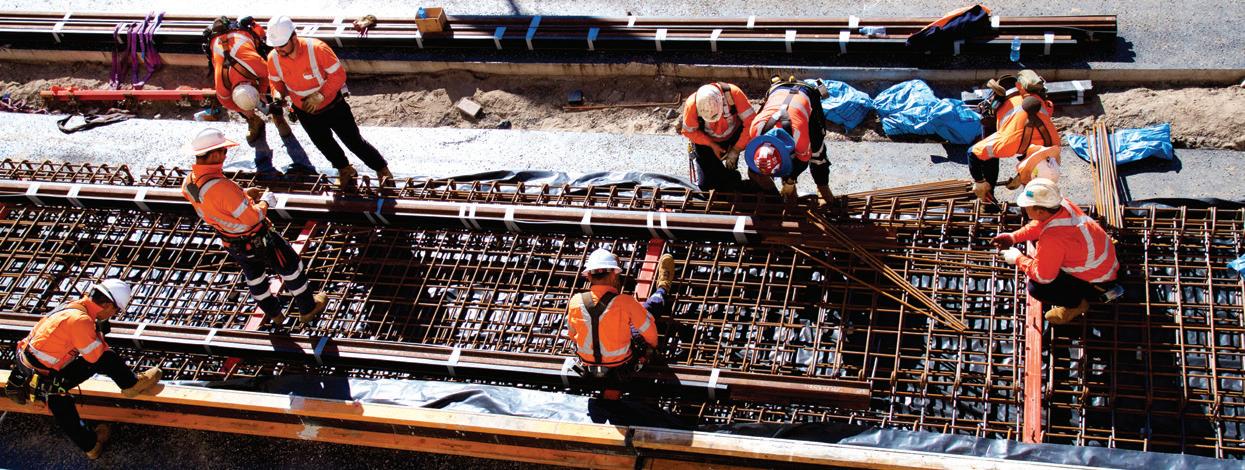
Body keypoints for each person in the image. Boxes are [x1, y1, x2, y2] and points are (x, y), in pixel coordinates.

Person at [179, 127, 328, 324]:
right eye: (224, 151)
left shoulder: (189, 182)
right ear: (214, 154)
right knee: (291, 267)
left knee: (255, 278)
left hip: (232, 242)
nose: (226, 155)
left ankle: (275, 314)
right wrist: (265, 202)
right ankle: (308, 308)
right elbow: (251, 218)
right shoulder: (222, 188)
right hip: (259, 238)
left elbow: (214, 203)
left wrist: (243, 196)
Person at [3, 279, 163, 459]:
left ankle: (91, 447)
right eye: (116, 310)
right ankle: (131, 384)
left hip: (28, 366)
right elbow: (95, 357)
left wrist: (97, 329)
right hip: (44, 374)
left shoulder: (73, 306)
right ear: (108, 305)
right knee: (103, 358)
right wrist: (99, 336)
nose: (114, 314)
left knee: (60, 402)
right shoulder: (80, 320)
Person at [265, 15, 392, 192]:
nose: (279, 50)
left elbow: (338, 75)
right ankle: (345, 169)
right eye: (276, 46)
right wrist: (277, 94)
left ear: (294, 37)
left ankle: (382, 169)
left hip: (334, 107)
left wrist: (320, 95)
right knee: (324, 144)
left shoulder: (317, 49)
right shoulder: (273, 58)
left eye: (282, 45)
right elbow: (275, 82)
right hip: (305, 112)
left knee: (354, 142)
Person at [994, 178, 1121, 324]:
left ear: (1040, 211)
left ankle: (1076, 305)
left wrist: (1017, 258)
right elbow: (1040, 224)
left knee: (1036, 288)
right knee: (1040, 248)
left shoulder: (1052, 238)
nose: (1024, 208)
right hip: (1105, 261)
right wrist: (1013, 237)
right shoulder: (1063, 205)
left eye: (1027, 206)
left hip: (1098, 281)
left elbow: (1043, 277)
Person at [203, 15, 315, 179]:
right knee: (251, 116)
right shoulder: (223, 93)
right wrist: (250, 114)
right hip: (226, 56)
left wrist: (271, 97)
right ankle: (255, 123)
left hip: (244, 49)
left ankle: (279, 122)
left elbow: (274, 78)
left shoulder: (257, 64)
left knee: (276, 109)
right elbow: (235, 104)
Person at [566, 249, 674, 398]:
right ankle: (663, 288)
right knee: (648, 309)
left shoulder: (575, 301)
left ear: (589, 276)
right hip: (622, 365)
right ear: (613, 274)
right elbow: (650, 332)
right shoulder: (626, 303)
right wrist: (651, 348)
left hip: (588, 364)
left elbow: (572, 335)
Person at [970, 70, 1061, 202]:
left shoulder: (1054, 145)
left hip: (1030, 103)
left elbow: (1033, 156)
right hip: (998, 106)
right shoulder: (1007, 143)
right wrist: (979, 181)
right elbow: (972, 153)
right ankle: (988, 198)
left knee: (1029, 149)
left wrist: (1020, 176)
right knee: (989, 157)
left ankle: (1030, 198)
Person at [742, 78, 834, 203]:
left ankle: (823, 189)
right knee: (758, 174)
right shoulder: (755, 131)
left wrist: (790, 181)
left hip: (805, 96)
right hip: (778, 93)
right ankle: (780, 198)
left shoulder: (799, 136)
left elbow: (802, 161)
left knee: (818, 154)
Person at [679, 82, 756, 192]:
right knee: (706, 186)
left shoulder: (733, 94)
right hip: (707, 141)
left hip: (733, 137)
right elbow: (689, 132)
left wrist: (736, 149)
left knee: (730, 180)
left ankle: (732, 177)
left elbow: (751, 123)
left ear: (721, 101)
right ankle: (728, 177)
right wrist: (711, 144)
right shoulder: (692, 105)